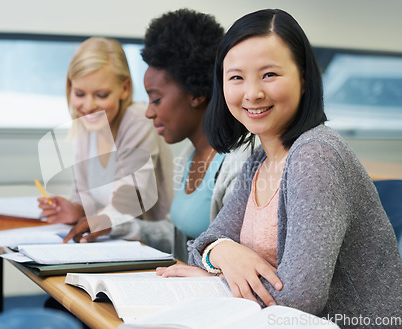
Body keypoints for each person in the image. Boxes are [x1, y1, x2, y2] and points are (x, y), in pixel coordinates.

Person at [157, 8, 402, 327]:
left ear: (303, 77)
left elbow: (300, 297)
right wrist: (222, 252)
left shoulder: (316, 155)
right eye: (236, 77)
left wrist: (213, 279)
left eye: (269, 74)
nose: (252, 93)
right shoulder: (259, 158)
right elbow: (201, 245)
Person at [38, 37, 174, 252]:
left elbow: (130, 202)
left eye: (101, 95)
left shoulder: (138, 119)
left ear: (125, 89)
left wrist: (96, 221)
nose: (88, 106)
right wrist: (74, 210)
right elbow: (84, 200)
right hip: (114, 245)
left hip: (152, 247)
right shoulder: (87, 127)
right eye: (80, 94)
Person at [140, 8, 251, 262]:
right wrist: (113, 227)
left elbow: (236, 259)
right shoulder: (190, 152)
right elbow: (178, 232)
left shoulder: (239, 161)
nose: (148, 112)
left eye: (156, 99)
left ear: (196, 93)